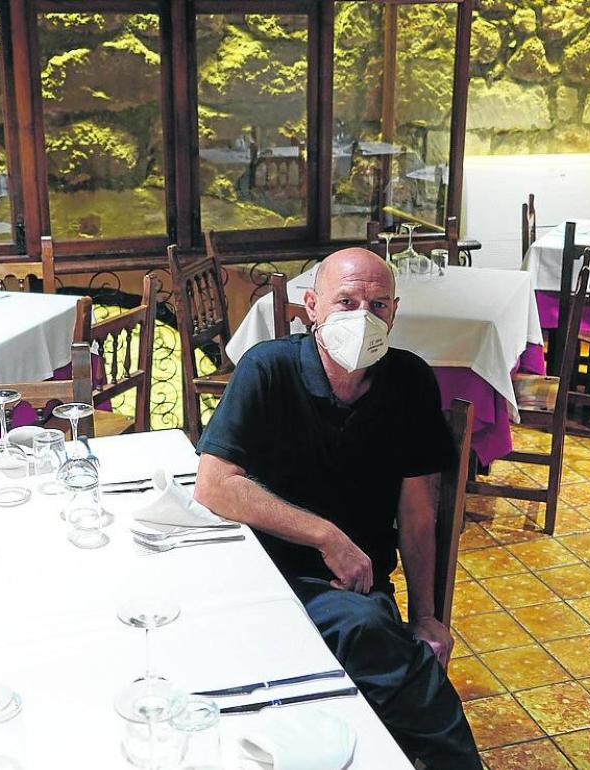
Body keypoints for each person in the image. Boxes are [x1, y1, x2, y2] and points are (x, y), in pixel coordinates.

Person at [193, 247, 481, 769]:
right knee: (381, 653)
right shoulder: (269, 368)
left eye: (377, 306)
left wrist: (428, 618)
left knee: (376, 639)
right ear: (311, 307)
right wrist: (326, 536)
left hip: (356, 589)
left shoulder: (410, 380)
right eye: (345, 302)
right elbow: (214, 485)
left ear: (394, 312)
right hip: (261, 575)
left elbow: (418, 515)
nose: (362, 318)